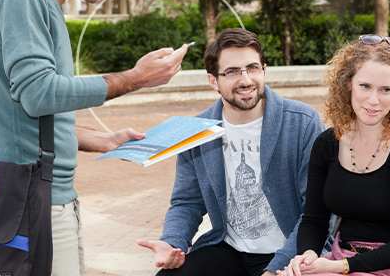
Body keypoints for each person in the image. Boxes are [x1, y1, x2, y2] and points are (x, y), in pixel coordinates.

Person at [0, 0, 189, 275]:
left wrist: (100, 140)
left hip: (41, 199)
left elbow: (29, 115)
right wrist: (134, 78)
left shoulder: (43, 2)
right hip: (29, 203)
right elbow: (38, 93)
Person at [136, 28, 326, 276]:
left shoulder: (302, 122)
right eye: (232, 72)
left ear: (264, 70)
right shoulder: (195, 131)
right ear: (213, 80)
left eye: (253, 68)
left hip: (293, 251)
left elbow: (316, 211)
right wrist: (173, 242)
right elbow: (187, 202)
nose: (245, 80)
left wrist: (276, 268)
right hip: (228, 249)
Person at [282, 35, 390, 276]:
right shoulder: (327, 144)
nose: (373, 100)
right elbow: (314, 220)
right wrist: (309, 256)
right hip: (342, 259)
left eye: (386, 89)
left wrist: (340, 267)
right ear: (347, 83)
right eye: (365, 86)